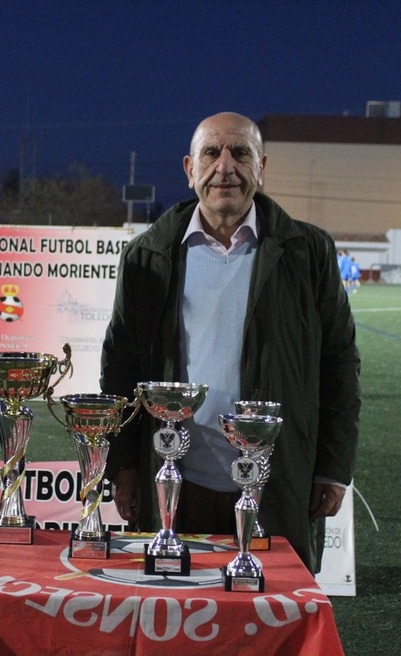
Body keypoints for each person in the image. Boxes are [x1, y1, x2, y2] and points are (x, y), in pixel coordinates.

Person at [100, 112, 360, 573]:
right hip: (176, 479)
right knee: (175, 617)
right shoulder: (149, 255)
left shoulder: (309, 252)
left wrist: (333, 467)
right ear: (189, 168)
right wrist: (122, 465)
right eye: (211, 153)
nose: (226, 167)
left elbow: (339, 365)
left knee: (268, 619)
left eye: (240, 153)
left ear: (261, 167)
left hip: (276, 480)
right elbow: (119, 367)